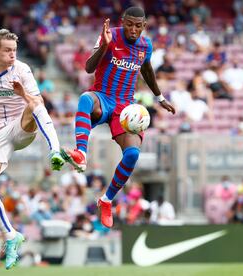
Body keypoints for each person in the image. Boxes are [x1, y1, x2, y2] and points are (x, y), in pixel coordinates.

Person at [60, 7, 176, 228]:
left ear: (144, 26)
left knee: (132, 155)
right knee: (85, 99)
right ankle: (81, 153)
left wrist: (159, 97)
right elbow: (88, 68)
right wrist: (103, 46)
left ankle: (106, 200)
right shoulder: (110, 36)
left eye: (138, 25)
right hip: (102, 97)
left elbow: (147, 70)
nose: (133, 29)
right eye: (129, 24)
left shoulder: (145, 46)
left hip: (125, 108)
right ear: (123, 22)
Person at [0, 29, 65, 269]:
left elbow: (38, 102)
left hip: (20, 127)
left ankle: (55, 149)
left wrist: (23, 94)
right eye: (8, 51)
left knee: (34, 102)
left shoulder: (23, 69)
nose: (12, 55)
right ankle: (10, 235)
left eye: (15, 51)